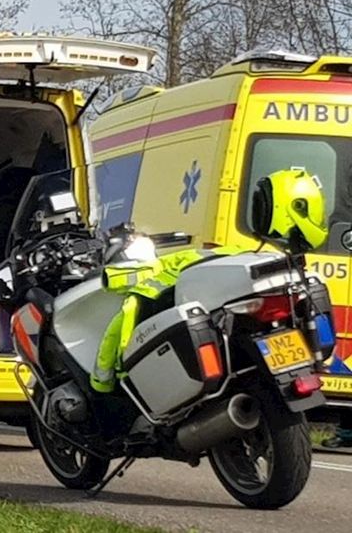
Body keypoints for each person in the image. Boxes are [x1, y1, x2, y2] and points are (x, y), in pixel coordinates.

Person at [92, 168, 329, 394]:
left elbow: (120, 330)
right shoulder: (268, 261)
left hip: (213, 373)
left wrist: (105, 383)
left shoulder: (204, 260)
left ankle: (112, 386)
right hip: (261, 340)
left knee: (134, 308)